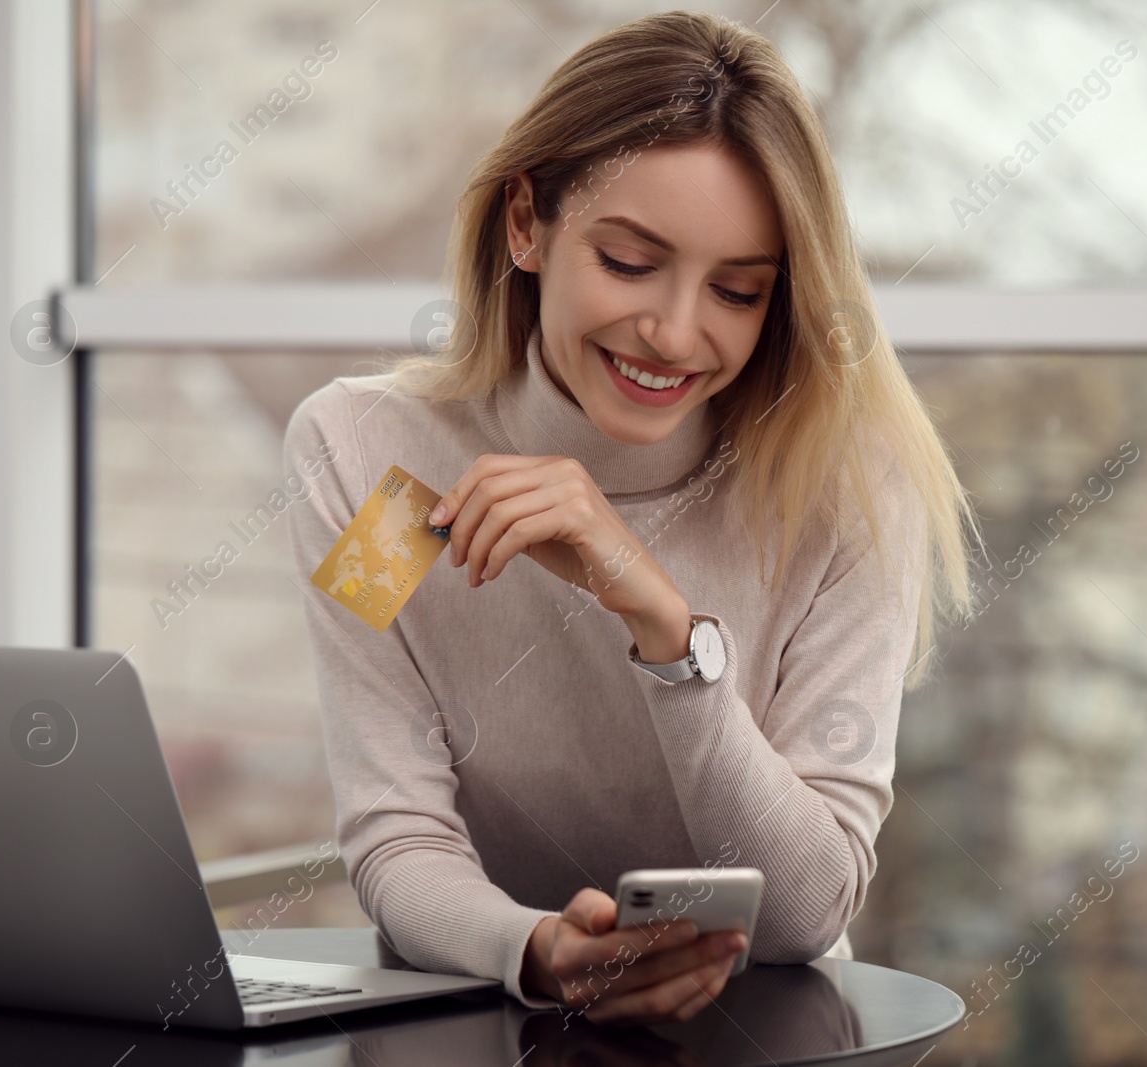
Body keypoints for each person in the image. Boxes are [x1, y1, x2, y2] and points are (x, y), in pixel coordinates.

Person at [284, 9, 976, 1028]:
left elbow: (804, 909)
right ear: (525, 222)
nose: (674, 331)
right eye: (628, 261)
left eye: (737, 291)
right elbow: (397, 839)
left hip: (766, 1036)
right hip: (491, 1018)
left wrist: (664, 627)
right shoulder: (373, 463)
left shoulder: (847, 489)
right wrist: (536, 950)